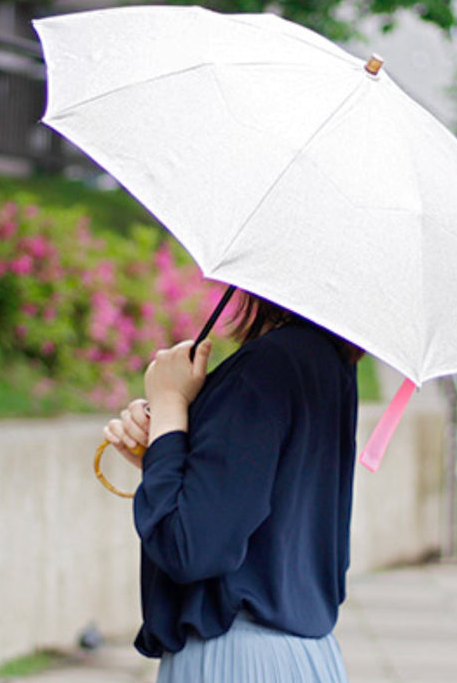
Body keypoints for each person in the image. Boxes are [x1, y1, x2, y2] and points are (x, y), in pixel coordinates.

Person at [103, 292, 363, 683]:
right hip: (308, 658)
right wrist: (164, 453)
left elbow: (189, 547)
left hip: (236, 659)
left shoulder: (265, 368)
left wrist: (170, 400)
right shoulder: (326, 362)